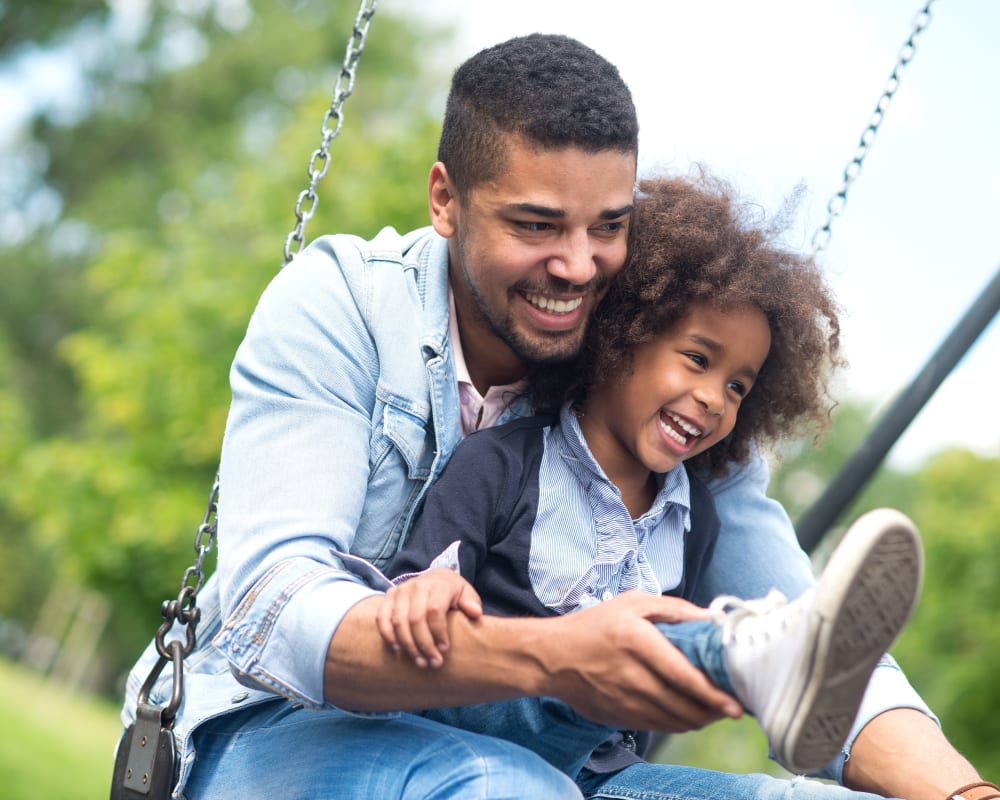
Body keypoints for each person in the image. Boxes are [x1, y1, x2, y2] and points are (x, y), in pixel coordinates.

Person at [119, 33, 993, 800]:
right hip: (277, 733)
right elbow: (278, 615)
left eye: (609, 226)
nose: (579, 268)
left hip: (563, 768)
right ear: (445, 199)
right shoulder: (341, 303)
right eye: (537, 224)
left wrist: (960, 790)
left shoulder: (644, 370)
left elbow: (827, 654)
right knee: (507, 785)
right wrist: (560, 655)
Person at [376, 172, 923, 778]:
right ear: (622, 335)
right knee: (600, 659)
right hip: (474, 737)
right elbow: (413, 595)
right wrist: (430, 588)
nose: (715, 398)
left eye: (737, 386)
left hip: (599, 775)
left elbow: (635, 732)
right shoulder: (504, 463)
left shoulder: (695, 521)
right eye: (697, 360)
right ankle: (757, 658)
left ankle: (770, 665)